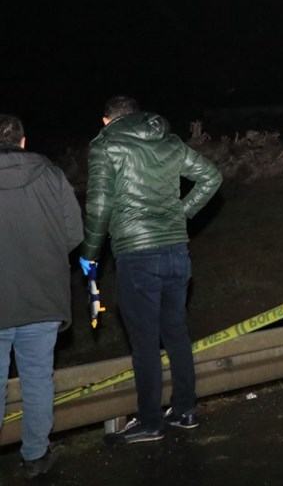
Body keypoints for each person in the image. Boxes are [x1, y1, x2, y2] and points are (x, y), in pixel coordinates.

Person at [80, 97, 222, 445]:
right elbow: (211, 176)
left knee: (144, 343)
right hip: (176, 251)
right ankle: (185, 410)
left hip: (137, 254)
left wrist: (89, 253)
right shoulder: (168, 141)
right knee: (175, 333)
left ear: (106, 119)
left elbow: (99, 203)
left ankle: (149, 421)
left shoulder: (107, 145)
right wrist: (181, 213)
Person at [0, 115, 83, 478]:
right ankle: (35, 456)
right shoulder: (51, 175)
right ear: (22, 141)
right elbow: (74, 233)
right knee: (37, 379)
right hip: (42, 295)